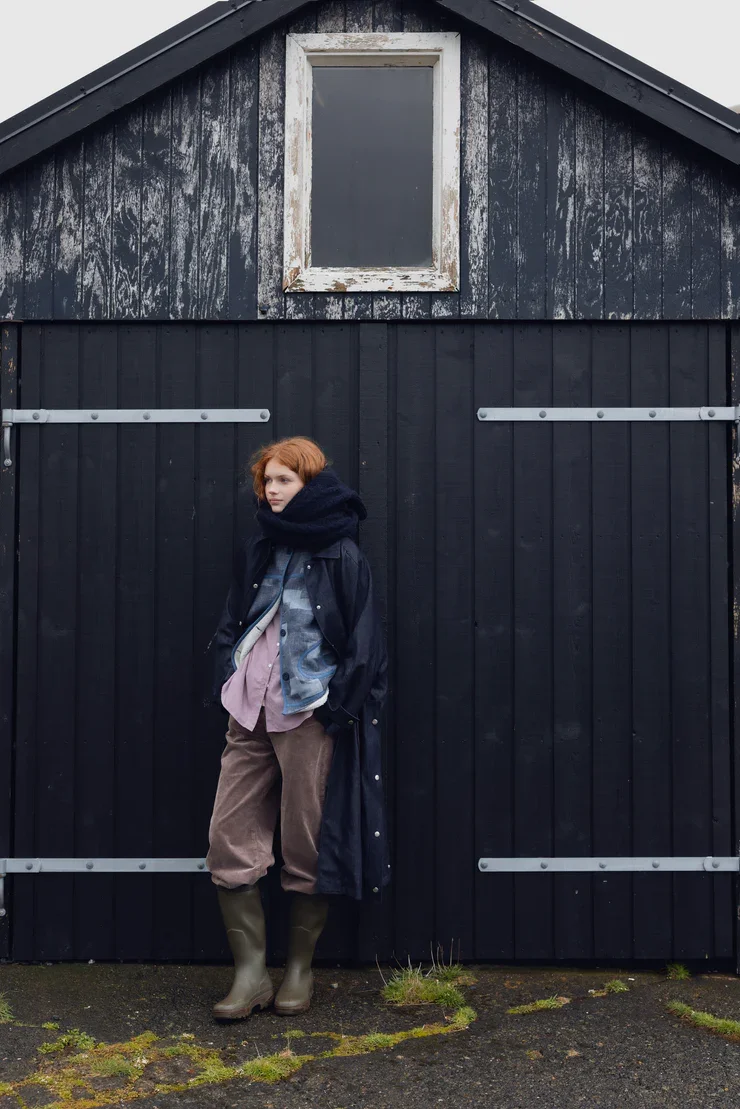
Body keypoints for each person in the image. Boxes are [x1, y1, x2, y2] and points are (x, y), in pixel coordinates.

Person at [206, 436, 389, 1021]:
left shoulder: (341, 553)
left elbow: (364, 644)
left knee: (306, 842)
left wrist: (337, 709)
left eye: (283, 480)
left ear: (309, 484)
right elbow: (236, 614)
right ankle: (250, 973)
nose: (271, 490)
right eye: (266, 481)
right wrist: (224, 670)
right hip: (248, 708)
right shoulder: (259, 543)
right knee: (227, 836)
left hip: (307, 710)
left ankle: (299, 971)